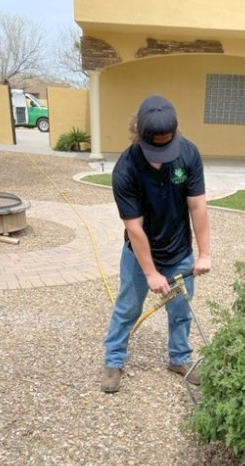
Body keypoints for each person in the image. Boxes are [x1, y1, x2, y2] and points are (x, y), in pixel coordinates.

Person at [101, 95, 212, 394]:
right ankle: (114, 360)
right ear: (139, 135)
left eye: (167, 146)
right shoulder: (126, 169)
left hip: (179, 253)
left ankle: (179, 358)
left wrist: (204, 254)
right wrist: (150, 272)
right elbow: (134, 228)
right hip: (140, 256)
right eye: (155, 148)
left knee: (181, 311)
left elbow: (198, 207)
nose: (162, 155)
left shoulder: (188, 154)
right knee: (127, 308)